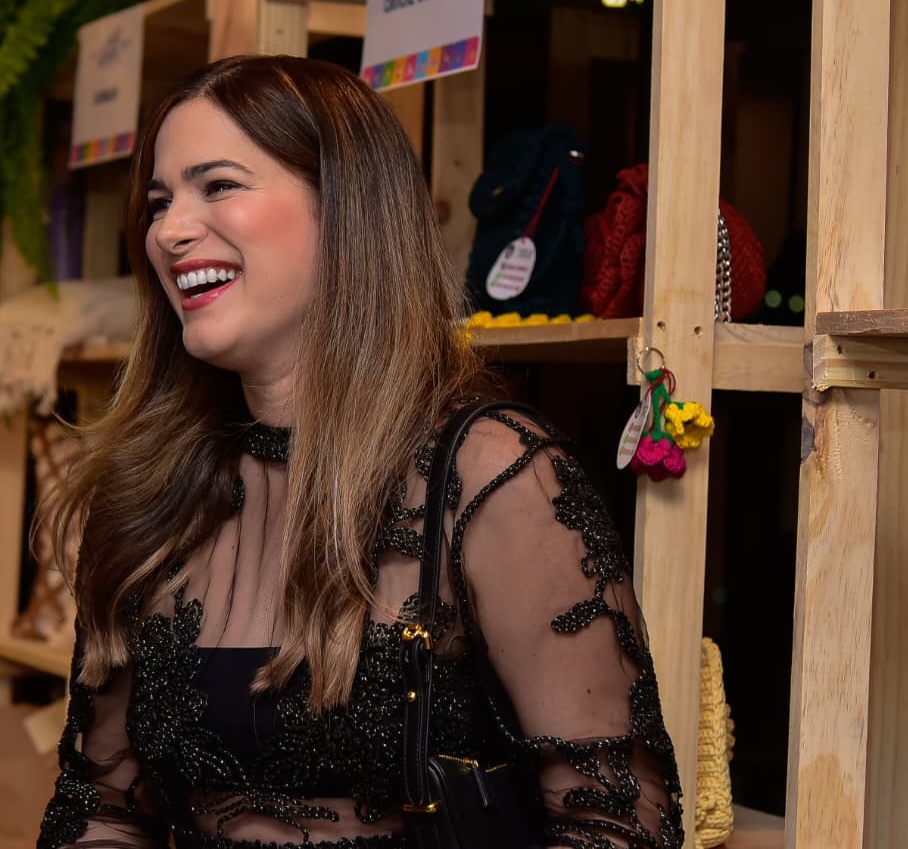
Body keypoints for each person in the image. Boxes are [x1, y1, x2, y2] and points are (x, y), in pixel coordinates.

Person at [37, 54, 682, 849]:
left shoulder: (489, 473)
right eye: (160, 202)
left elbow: (616, 819)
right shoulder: (150, 488)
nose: (168, 230)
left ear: (346, 209)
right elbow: (100, 801)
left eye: (219, 185)